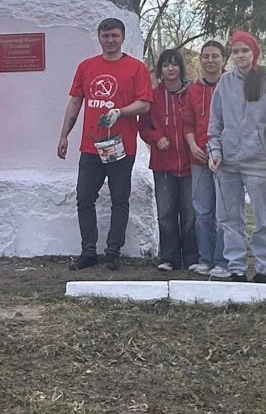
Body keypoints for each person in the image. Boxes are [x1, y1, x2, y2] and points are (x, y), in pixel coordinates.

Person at [57, 18, 152, 270]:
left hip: (122, 147)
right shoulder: (87, 67)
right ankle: (88, 251)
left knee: (120, 200)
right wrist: (64, 135)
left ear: (123, 38)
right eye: (105, 35)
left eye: (114, 36)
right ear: (99, 37)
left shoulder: (136, 68)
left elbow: (144, 103)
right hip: (91, 147)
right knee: (84, 198)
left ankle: (113, 252)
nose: (110, 40)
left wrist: (120, 112)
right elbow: (76, 101)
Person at [208, 31, 266, 283]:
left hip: (259, 162)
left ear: (254, 53)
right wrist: (215, 151)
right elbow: (215, 123)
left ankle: (264, 268)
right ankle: (237, 267)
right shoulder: (225, 82)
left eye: (245, 51)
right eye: (236, 51)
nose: (240, 55)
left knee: (264, 218)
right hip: (227, 163)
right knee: (229, 218)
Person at [139, 48, 197, 271]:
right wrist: (156, 137)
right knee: (166, 213)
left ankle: (193, 257)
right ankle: (170, 257)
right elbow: (143, 127)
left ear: (181, 67)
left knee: (191, 214)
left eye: (174, 64)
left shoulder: (192, 92)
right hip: (163, 165)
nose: (170, 68)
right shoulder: (152, 96)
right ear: (160, 69)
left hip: (191, 163)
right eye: (165, 65)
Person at [182, 41, 230, 278]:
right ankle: (205, 259)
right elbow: (188, 122)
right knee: (203, 212)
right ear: (200, 60)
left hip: (225, 159)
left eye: (215, 56)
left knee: (224, 214)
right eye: (206, 56)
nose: (210, 61)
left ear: (223, 60)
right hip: (199, 158)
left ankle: (223, 260)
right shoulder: (192, 89)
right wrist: (192, 145)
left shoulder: (232, 85)